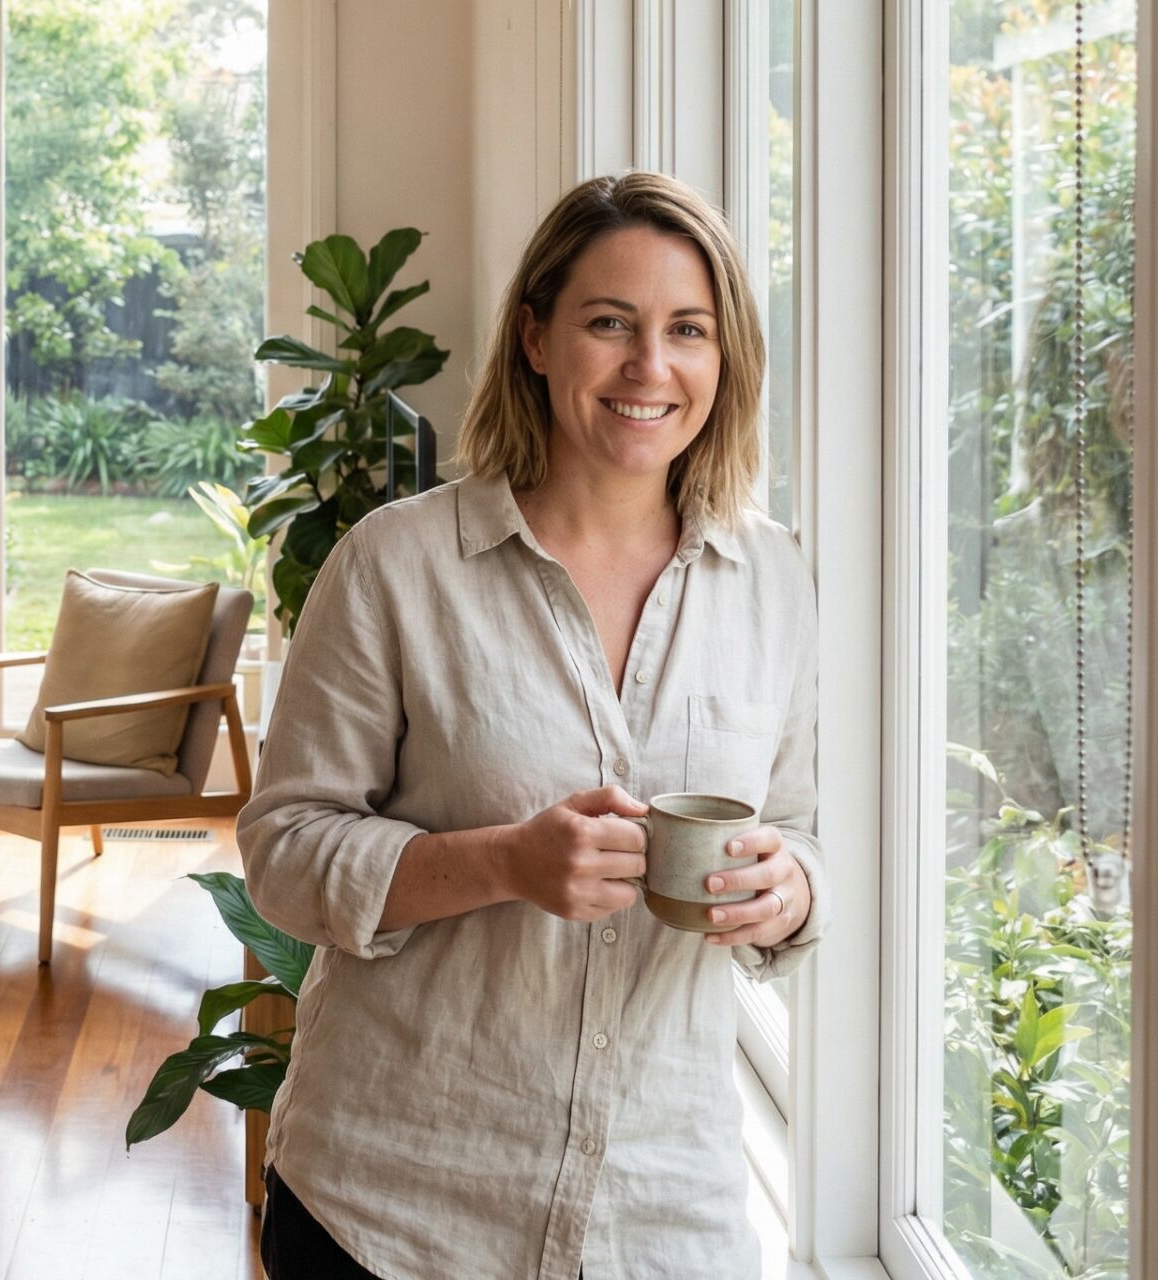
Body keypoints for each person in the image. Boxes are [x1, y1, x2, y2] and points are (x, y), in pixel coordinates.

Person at [239, 171, 828, 1280]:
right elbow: (283, 851)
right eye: (611, 322)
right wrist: (503, 860)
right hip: (396, 1209)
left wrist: (787, 888)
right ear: (537, 339)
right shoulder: (397, 563)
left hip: (665, 1216)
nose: (650, 366)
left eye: (688, 330)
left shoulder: (775, 579)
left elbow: (800, 828)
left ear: (725, 357)